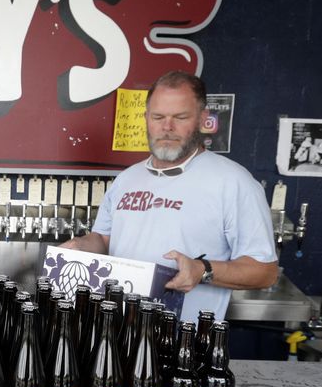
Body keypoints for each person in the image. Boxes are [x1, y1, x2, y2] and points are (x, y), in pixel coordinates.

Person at [63, 70, 278, 322]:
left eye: (180, 117)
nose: (167, 127)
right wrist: (80, 247)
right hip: (119, 333)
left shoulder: (234, 182)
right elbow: (104, 238)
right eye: (158, 117)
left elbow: (264, 271)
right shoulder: (127, 179)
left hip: (185, 343)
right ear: (146, 118)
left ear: (202, 119)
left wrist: (203, 270)